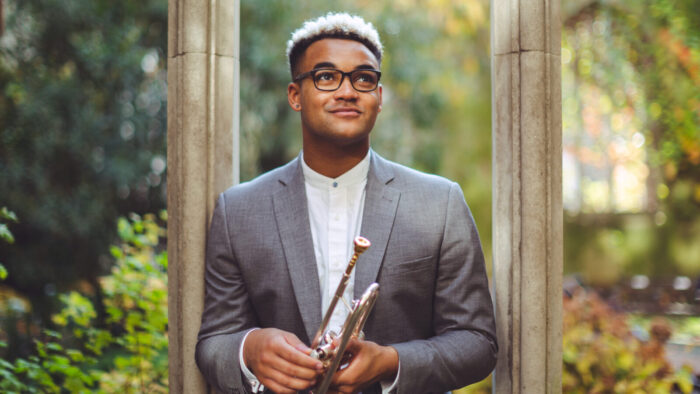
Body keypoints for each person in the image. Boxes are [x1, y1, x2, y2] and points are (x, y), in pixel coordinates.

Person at [195, 12, 497, 394]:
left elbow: (478, 343)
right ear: (295, 96)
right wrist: (248, 350)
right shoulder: (236, 211)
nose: (347, 90)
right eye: (325, 77)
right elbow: (213, 342)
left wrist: (391, 361)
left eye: (363, 78)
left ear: (379, 97)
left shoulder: (442, 203)